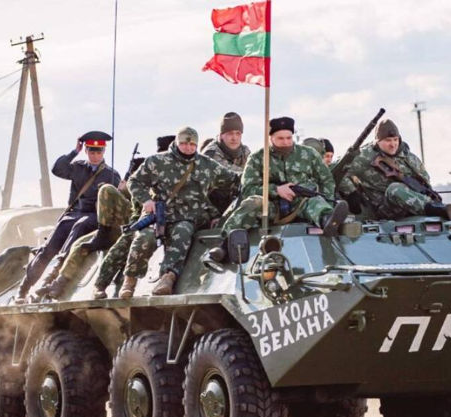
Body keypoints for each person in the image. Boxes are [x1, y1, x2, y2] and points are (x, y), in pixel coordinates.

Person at [117, 126, 239, 298]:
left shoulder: (206, 165)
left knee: (183, 232)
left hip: (187, 216)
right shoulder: (157, 161)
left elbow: (233, 179)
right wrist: (146, 200)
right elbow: (134, 181)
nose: (188, 148)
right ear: (176, 142)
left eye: (192, 145)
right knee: (145, 238)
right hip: (159, 215)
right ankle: (129, 281)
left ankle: (168, 278)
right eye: (184, 144)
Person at [208, 117, 348, 262]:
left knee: (316, 202)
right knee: (253, 203)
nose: (286, 142)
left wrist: (326, 199)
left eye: (289, 138)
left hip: (302, 203)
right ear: (271, 138)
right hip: (272, 207)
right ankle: (224, 244)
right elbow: (247, 189)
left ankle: (327, 220)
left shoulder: (309, 154)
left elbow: (326, 180)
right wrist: (276, 190)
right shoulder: (258, 158)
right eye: (280, 138)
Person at [15, 131, 120, 303]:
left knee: (79, 228)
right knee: (48, 249)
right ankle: (24, 289)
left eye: (98, 151)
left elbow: (113, 200)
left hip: (93, 216)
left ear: (103, 151)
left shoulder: (111, 175)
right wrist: (74, 152)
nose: (95, 155)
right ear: (86, 150)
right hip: (73, 214)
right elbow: (57, 169)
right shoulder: (78, 167)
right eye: (91, 151)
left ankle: (54, 276)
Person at [89, 134, 177, 299]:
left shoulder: (186, 173)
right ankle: (100, 284)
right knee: (123, 245)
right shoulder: (147, 175)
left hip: (175, 221)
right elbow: (136, 206)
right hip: (146, 221)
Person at [339, 118, 451, 224]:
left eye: (395, 140)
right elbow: (337, 168)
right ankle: (434, 210)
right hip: (387, 209)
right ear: (378, 141)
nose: (393, 144)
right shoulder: (364, 156)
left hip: (417, 202)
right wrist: (351, 192)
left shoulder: (409, 158)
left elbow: (425, 182)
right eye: (388, 140)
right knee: (395, 189)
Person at [202, 112, 251, 213]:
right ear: (221, 135)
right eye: (230, 133)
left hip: (236, 199)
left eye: (238, 133)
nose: (234, 138)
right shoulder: (211, 153)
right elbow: (229, 174)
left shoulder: (245, 151)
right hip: (213, 206)